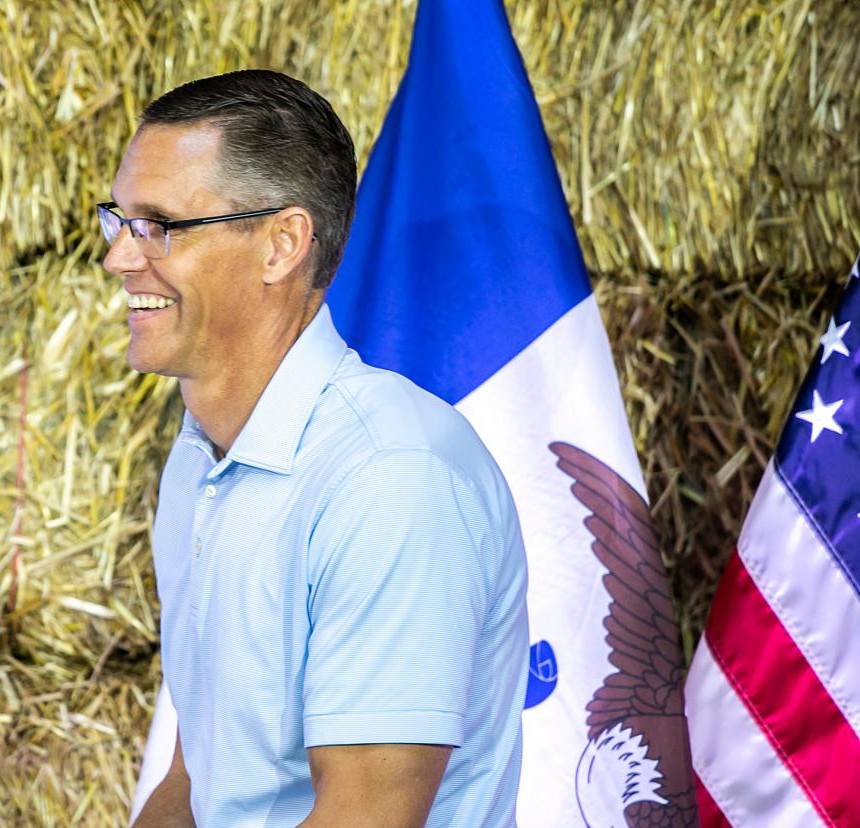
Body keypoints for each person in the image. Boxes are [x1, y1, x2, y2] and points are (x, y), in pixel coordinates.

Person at [102, 69, 528, 828]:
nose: (120, 259)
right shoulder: (200, 460)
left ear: (281, 245)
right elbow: (201, 776)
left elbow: (365, 817)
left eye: (159, 225)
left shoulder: (391, 478)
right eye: (120, 220)